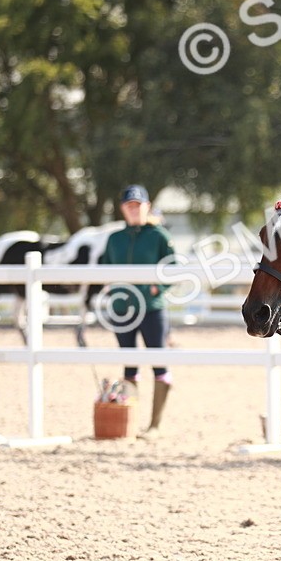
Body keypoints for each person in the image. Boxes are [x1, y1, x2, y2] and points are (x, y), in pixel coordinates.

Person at [98, 185, 175, 435]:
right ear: (123, 209)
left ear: (147, 207)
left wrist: (157, 288)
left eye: (138, 205)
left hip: (152, 309)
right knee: (129, 366)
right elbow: (104, 267)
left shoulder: (159, 236)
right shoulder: (114, 239)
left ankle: (155, 425)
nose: (133, 210)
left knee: (159, 364)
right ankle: (129, 422)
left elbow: (173, 267)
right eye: (129, 206)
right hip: (122, 311)